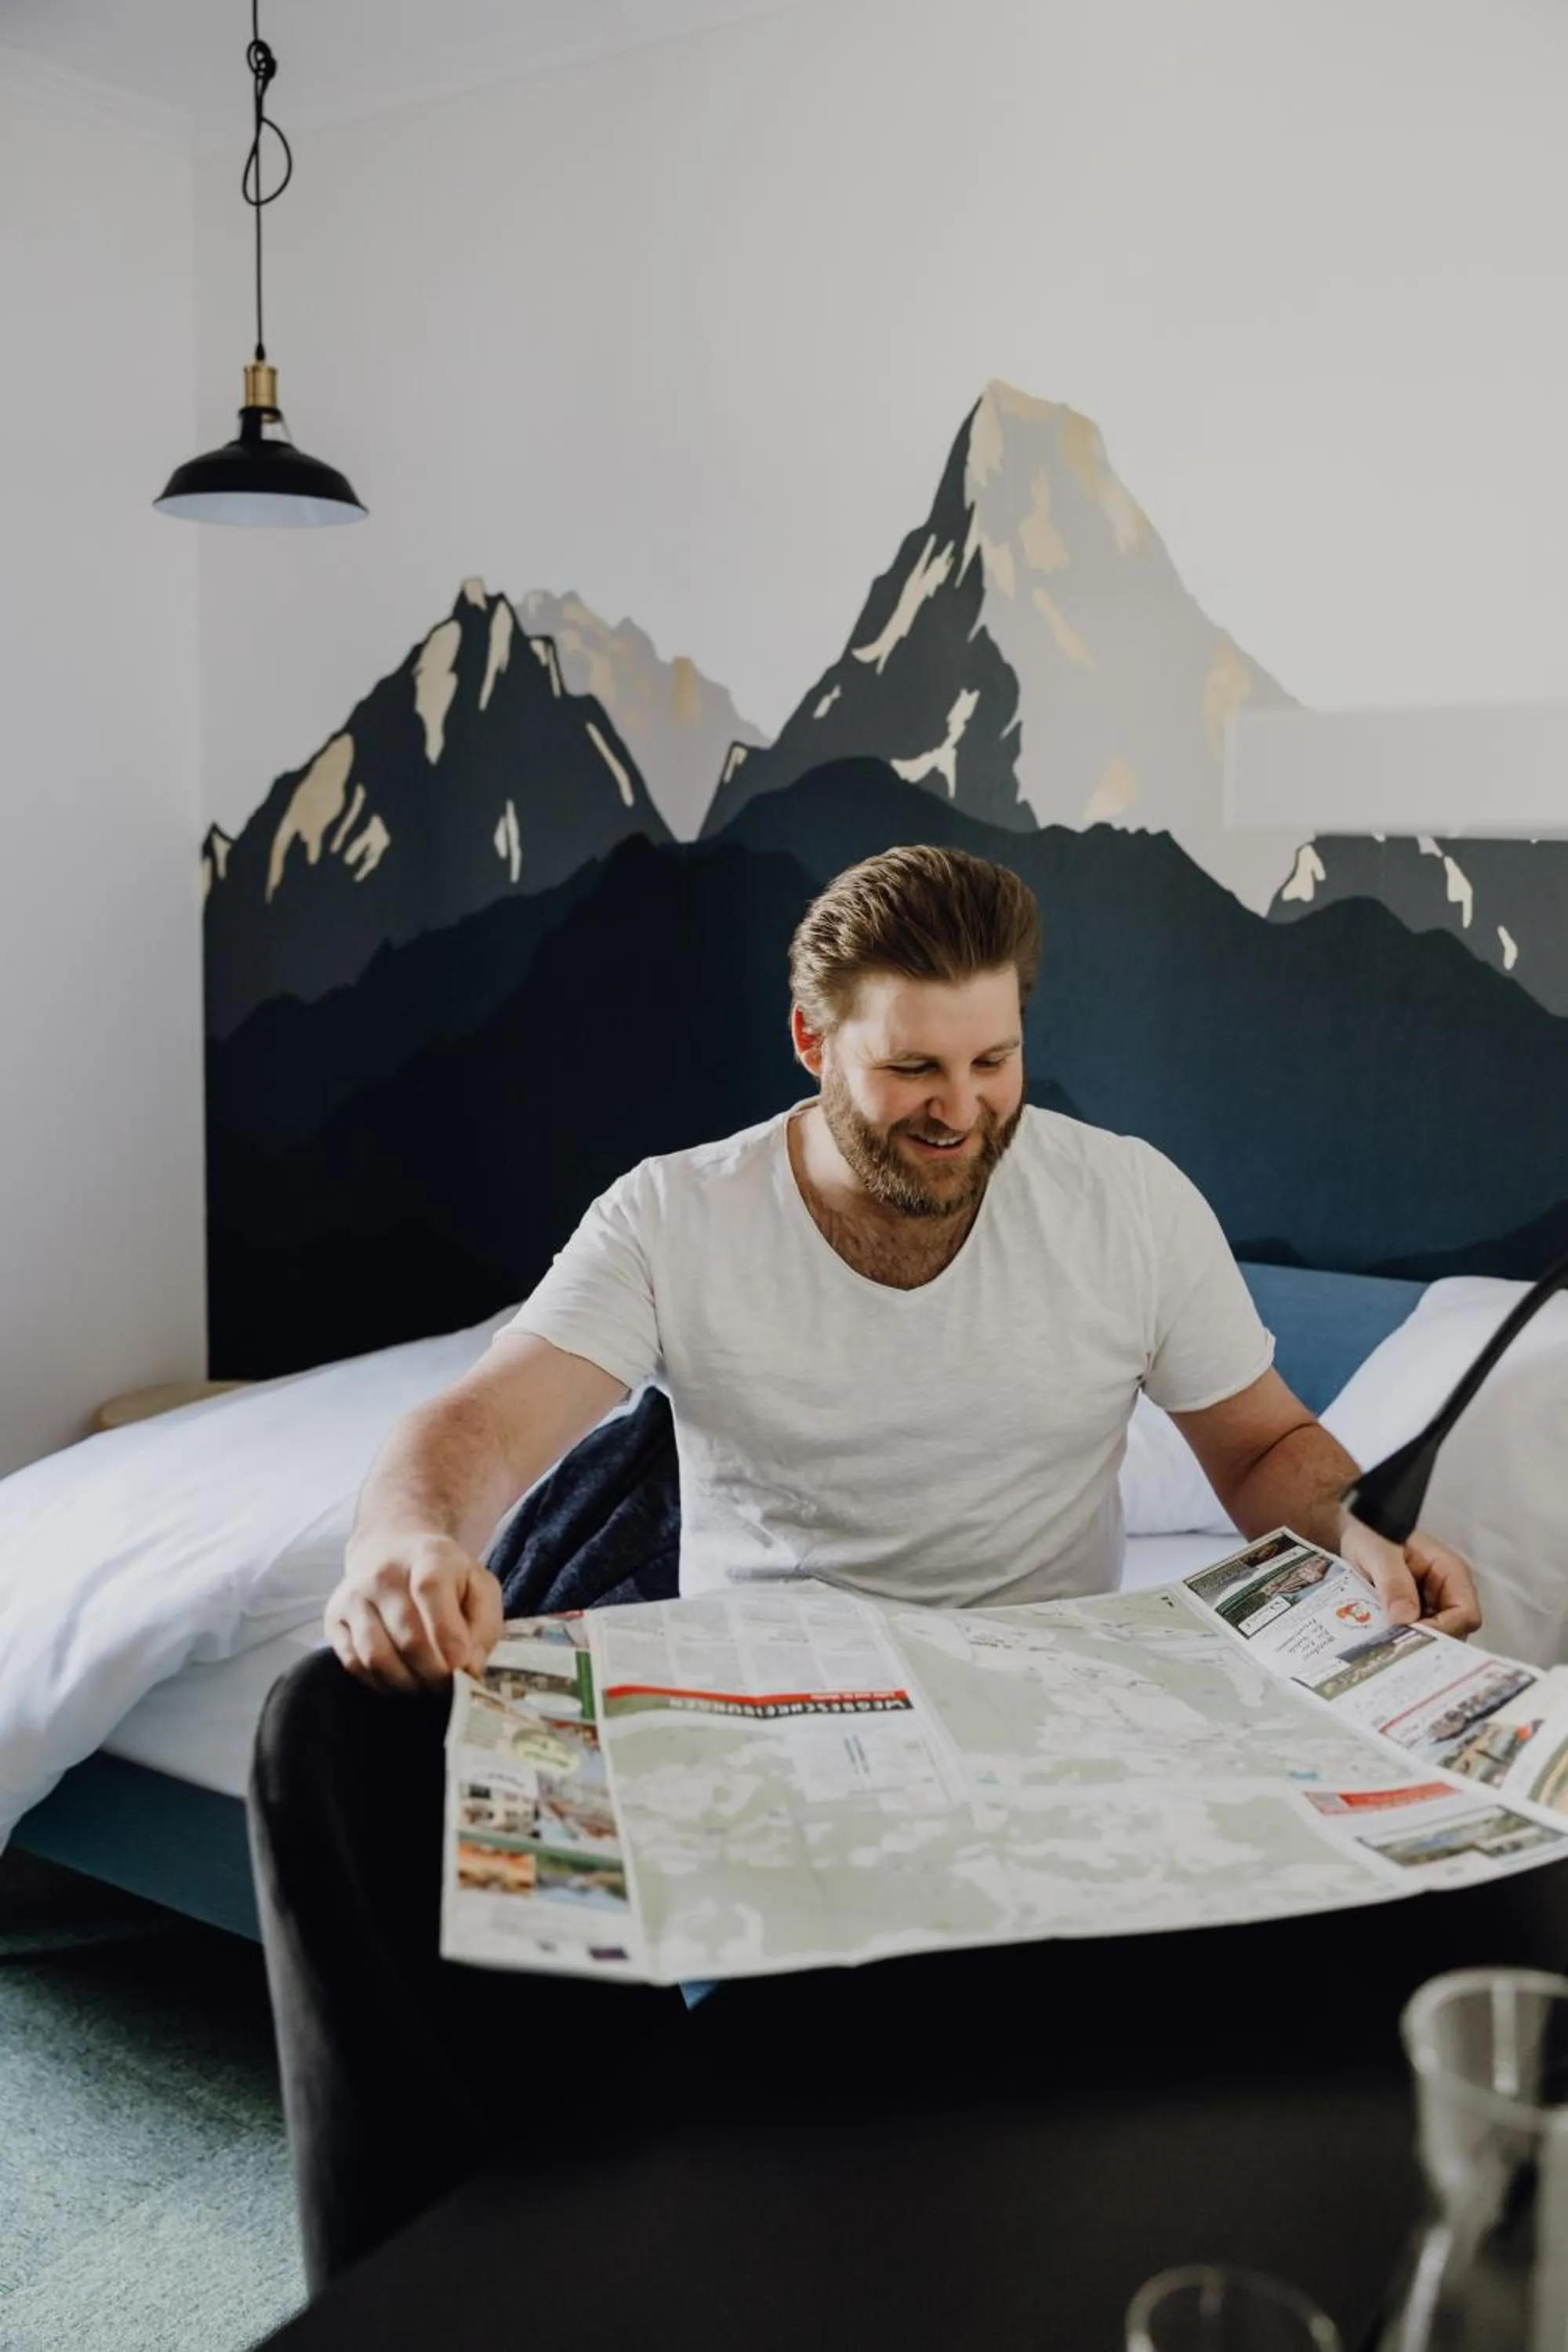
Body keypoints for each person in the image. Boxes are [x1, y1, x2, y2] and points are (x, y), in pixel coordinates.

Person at [249, 841, 1480, 2291]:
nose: (962, 1110)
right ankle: (426, 2290)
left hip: (1047, 1728)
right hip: (770, 1732)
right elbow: (477, 1422)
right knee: (326, 1732)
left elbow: (1265, 1448)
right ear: (811, 1040)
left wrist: (1356, 1537)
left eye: (994, 1060)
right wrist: (406, 1536)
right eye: (913, 1071)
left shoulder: (1130, 1205)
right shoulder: (675, 1215)